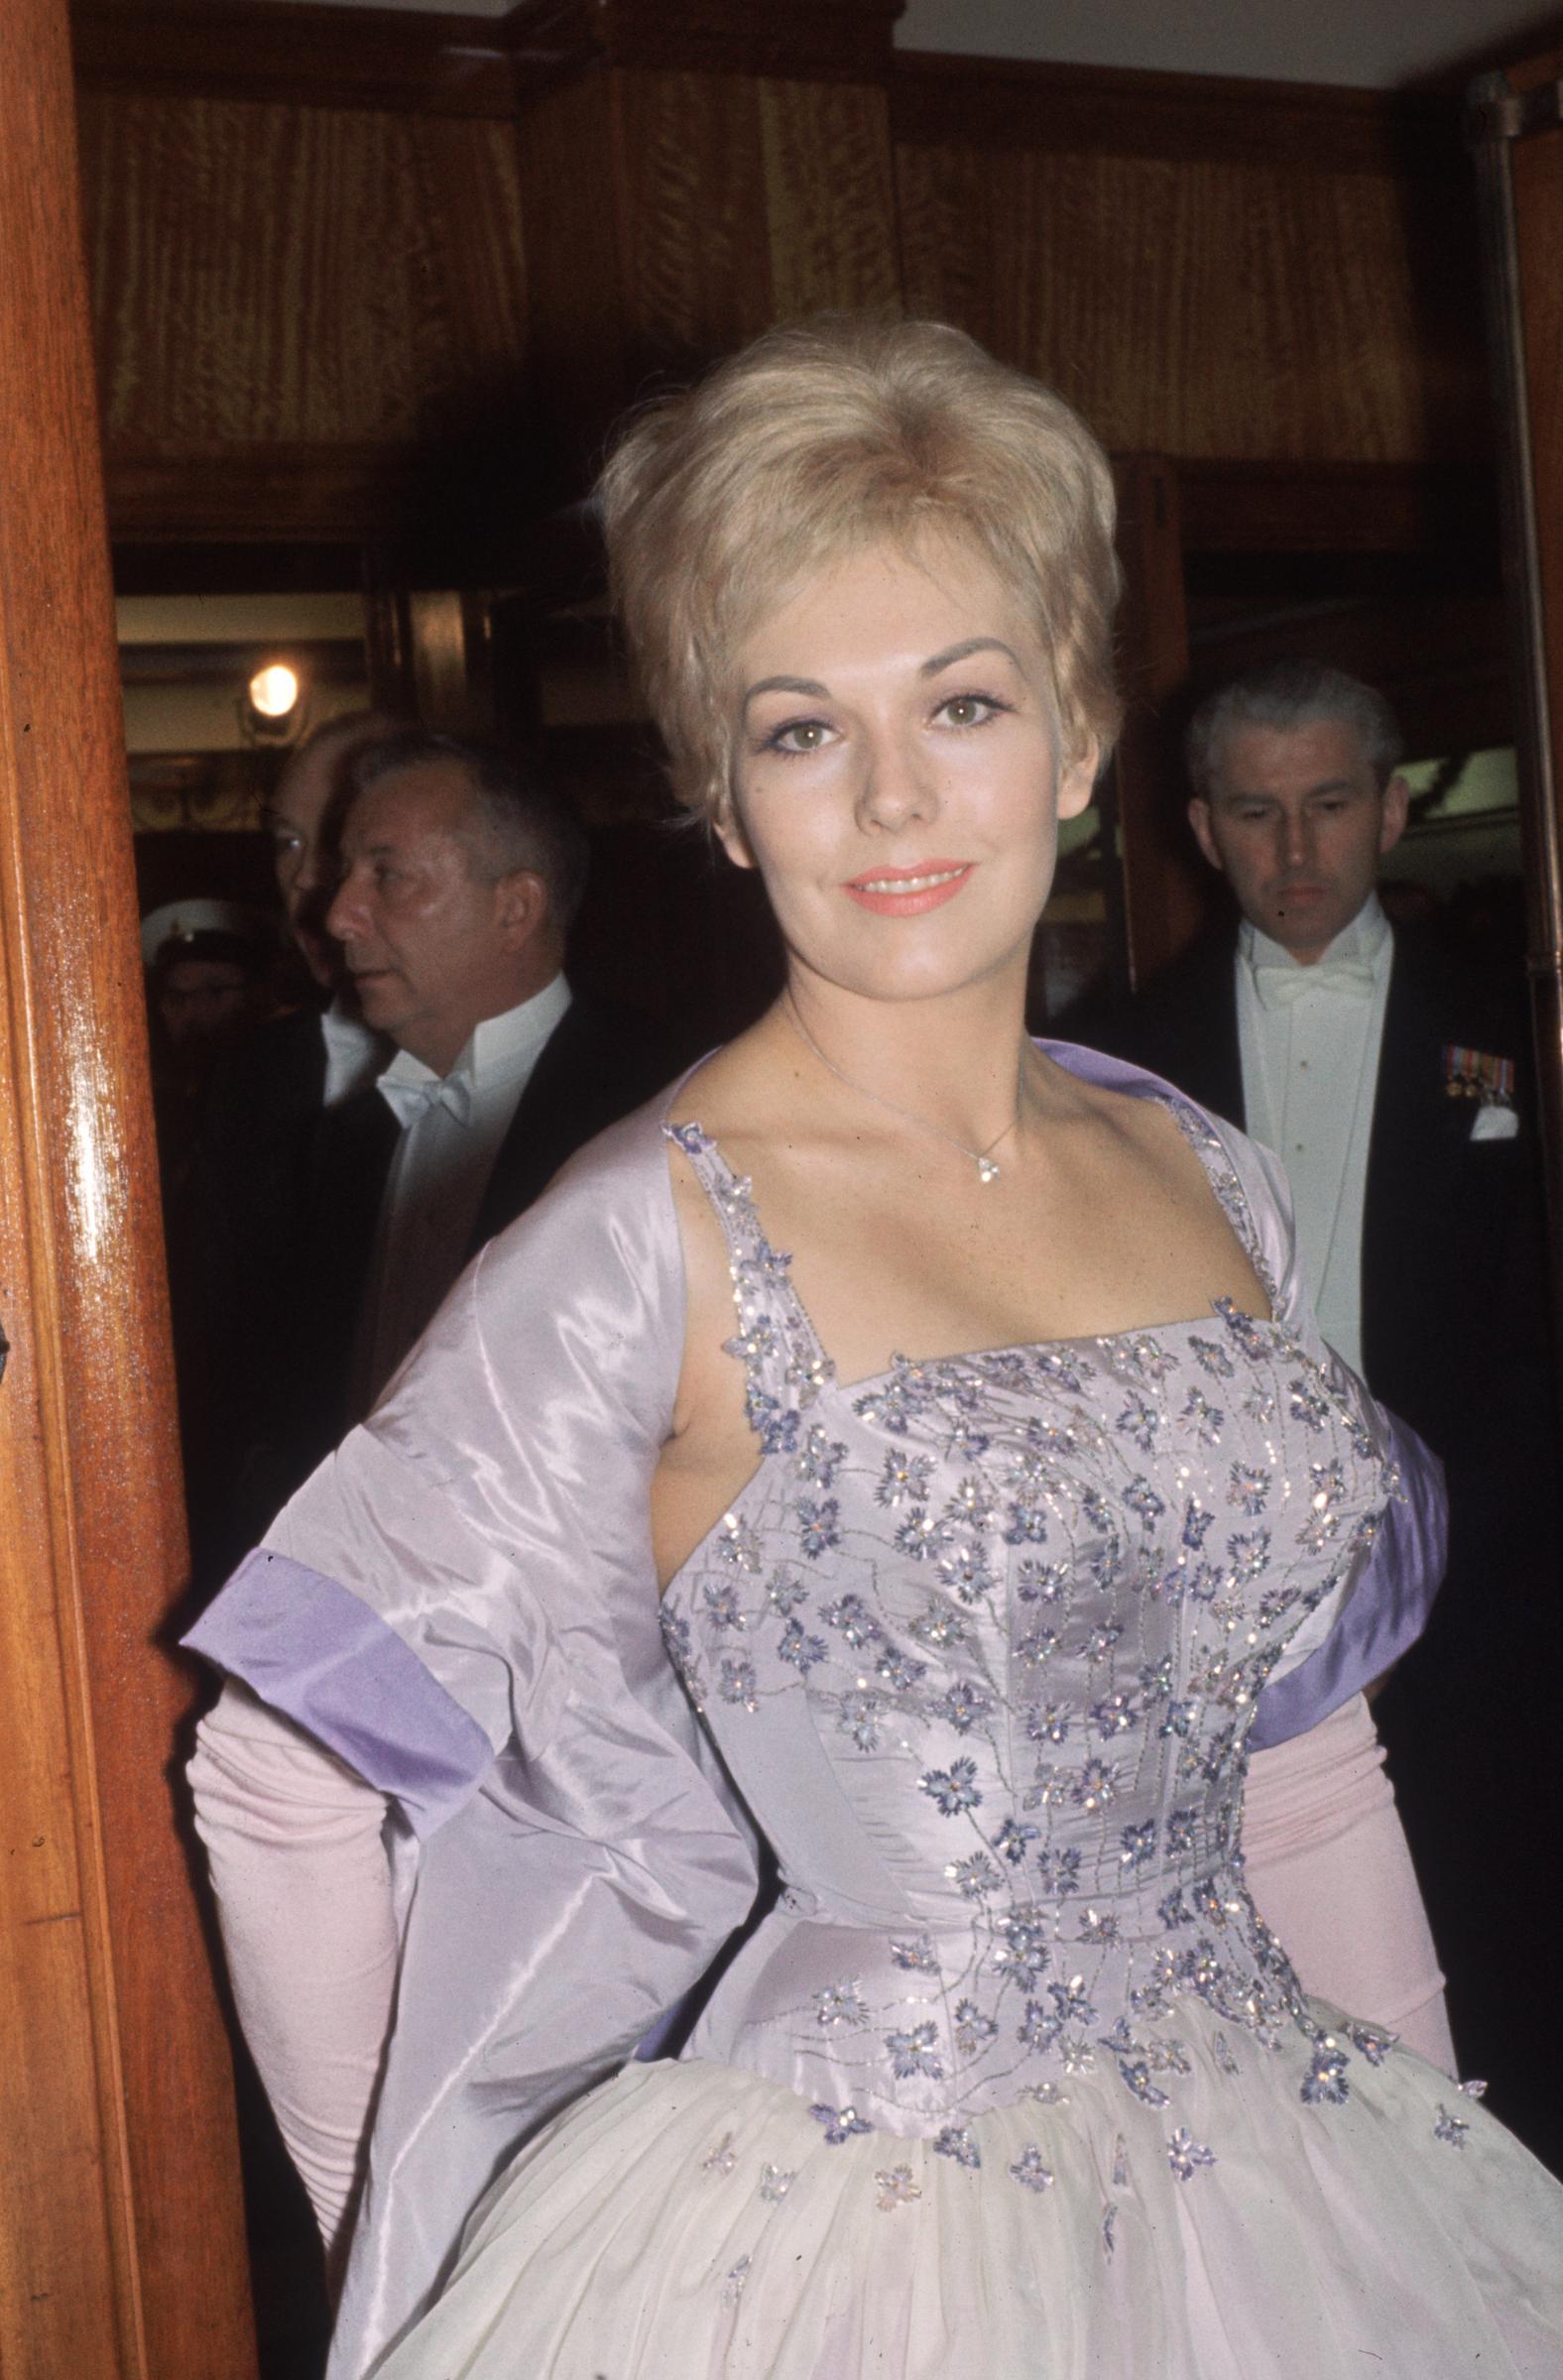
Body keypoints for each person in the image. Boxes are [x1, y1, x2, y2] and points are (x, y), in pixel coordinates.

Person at [184, 321, 1562, 2380]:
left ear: (1082, 740)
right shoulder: (635, 1238)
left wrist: (1435, 2191)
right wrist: (433, 2255)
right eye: (802, 729)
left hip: (1287, 2185)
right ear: (720, 798)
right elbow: (278, 1775)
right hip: (851, 2245)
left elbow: (1305, 1764)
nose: (894, 794)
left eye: (966, 701)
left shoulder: (1203, 1172)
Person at [1074, 660, 1563, 2163]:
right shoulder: (1110, 1062)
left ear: (1397, 811)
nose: (1296, 853)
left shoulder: (1523, 1033)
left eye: (1331, 807)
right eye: (1257, 813)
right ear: (1202, 831)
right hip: (1208, 1628)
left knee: (1504, 1976)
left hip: (1484, 1606)